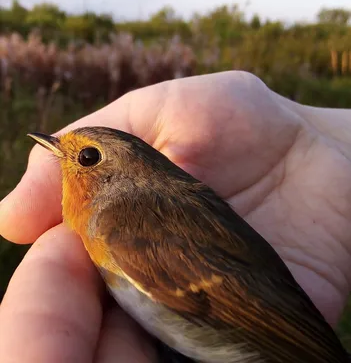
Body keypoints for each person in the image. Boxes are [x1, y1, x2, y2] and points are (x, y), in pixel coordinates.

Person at [0, 71, 350, 362]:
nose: (70, 158)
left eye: (88, 157)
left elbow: (246, 307)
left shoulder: (118, 224)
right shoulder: (125, 213)